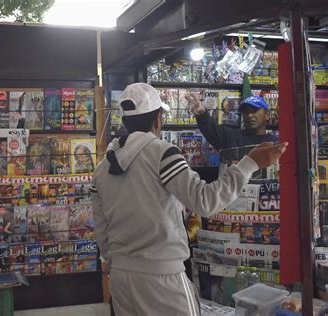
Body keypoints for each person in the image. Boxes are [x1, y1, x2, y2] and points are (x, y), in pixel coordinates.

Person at [90, 83, 287, 316]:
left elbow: (101, 229)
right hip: (163, 277)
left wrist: (116, 265)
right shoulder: (163, 153)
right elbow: (205, 201)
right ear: (158, 120)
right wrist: (249, 163)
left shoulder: (103, 168)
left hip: (121, 277)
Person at [187, 93, 278, 150]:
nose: (250, 115)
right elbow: (211, 130)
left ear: (267, 115)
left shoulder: (276, 144)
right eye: (246, 112)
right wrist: (202, 114)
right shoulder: (231, 137)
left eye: (254, 111)